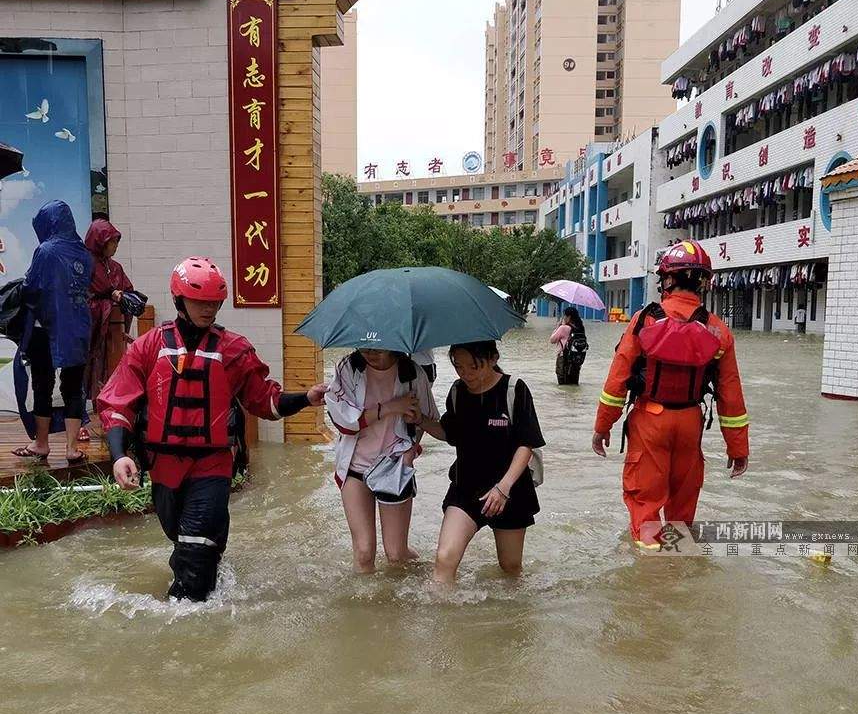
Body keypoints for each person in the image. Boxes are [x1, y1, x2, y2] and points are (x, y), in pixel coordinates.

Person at [97, 257, 327, 602]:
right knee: (186, 543)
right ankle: (205, 571)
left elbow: (265, 401)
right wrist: (118, 457)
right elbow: (117, 404)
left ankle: (184, 624)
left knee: (194, 556)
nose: (208, 309)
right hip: (164, 467)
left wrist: (306, 399)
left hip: (212, 466)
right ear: (179, 301)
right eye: (200, 301)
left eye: (214, 303)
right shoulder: (148, 347)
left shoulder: (233, 349)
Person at [591, 241, 749, 549]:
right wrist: (738, 447)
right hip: (690, 423)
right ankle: (676, 565)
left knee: (646, 506)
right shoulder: (718, 330)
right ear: (704, 281)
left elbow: (617, 381)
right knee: (681, 512)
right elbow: (731, 397)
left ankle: (651, 578)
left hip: (650, 421)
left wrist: (602, 427)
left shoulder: (643, 319)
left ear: (667, 279)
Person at [418, 341, 544, 584]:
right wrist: (420, 419)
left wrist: (503, 488)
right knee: (445, 558)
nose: (465, 374)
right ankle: (443, 619)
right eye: (458, 366)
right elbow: (450, 433)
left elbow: (526, 444)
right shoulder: (457, 391)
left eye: (473, 367)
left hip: (511, 491)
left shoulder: (514, 389)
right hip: (466, 487)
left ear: (493, 358)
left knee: (510, 568)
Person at [326, 348, 438, 573]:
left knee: (396, 555)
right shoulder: (348, 368)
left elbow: (429, 420)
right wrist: (391, 407)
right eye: (365, 347)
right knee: (364, 552)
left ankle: (426, 575)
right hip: (355, 467)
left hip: (394, 466)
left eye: (378, 349)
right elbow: (344, 422)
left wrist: (410, 452)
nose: (371, 353)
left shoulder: (413, 373)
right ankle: (365, 607)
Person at [12, 201, 92, 463]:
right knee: (73, 388)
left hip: (44, 330)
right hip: (78, 328)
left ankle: (42, 443)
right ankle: (71, 448)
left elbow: (32, 288)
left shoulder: (46, 250)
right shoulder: (83, 253)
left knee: (42, 385)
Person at [83, 218, 135, 436]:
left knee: (109, 372)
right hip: (89, 332)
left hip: (110, 334)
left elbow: (128, 288)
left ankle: (109, 418)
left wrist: (126, 299)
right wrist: (106, 298)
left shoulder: (115, 267)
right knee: (82, 374)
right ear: (100, 241)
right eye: (112, 242)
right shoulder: (84, 264)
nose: (115, 247)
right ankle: (81, 424)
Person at [550, 306, 589, 385]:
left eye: (564, 315)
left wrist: (558, 326)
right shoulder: (581, 328)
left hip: (563, 360)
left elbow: (552, 340)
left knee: (563, 387)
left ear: (569, 317)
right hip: (577, 361)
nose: (563, 317)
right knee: (574, 385)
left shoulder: (563, 328)